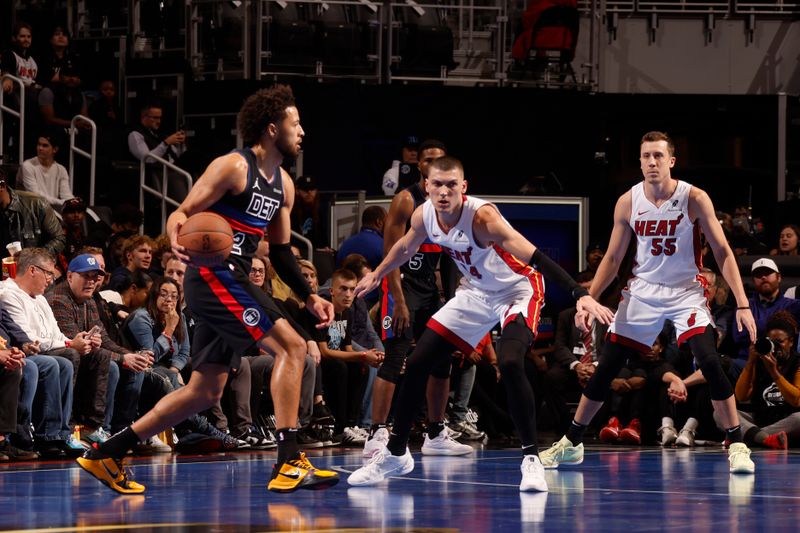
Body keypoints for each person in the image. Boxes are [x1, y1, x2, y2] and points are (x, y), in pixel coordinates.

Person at [77, 84, 338, 494]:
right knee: (293, 347)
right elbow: (182, 213)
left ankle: (107, 453)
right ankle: (289, 460)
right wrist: (176, 239)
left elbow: (284, 253)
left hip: (233, 277)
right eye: (295, 122)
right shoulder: (233, 167)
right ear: (272, 129)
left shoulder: (284, 184)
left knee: (203, 391)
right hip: (216, 276)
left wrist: (309, 295)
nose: (302, 130)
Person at [347, 156, 613, 491]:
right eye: (437, 185)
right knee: (416, 363)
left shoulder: (483, 218)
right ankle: (397, 452)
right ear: (427, 186)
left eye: (451, 185)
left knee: (512, 362)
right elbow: (404, 246)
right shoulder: (424, 214)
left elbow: (536, 258)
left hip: (518, 289)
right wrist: (377, 273)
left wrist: (579, 294)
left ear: (464, 188)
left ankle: (531, 460)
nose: (444, 192)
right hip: (475, 293)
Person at [538, 131, 758, 474]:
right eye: (646, 157)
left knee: (710, 361)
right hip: (643, 292)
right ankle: (572, 442)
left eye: (658, 156)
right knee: (608, 365)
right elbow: (612, 258)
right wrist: (586, 298)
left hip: (686, 290)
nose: (651, 162)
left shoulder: (694, 197)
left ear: (671, 161)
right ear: (640, 162)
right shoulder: (628, 201)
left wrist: (742, 303)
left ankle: (737, 444)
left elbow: (722, 251)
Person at [361, 139, 471, 460]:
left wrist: (450, 299)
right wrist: (398, 298)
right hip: (402, 284)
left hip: (429, 287)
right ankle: (377, 432)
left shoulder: (451, 202)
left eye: (439, 159)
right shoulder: (405, 200)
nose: (433, 163)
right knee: (395, 359)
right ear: (420, 167)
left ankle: (436, 432)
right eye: (428, 160)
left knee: (441, 360)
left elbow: (450, 256)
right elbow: (392, 252)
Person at [723, 310, 800, 449]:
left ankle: (749, 437)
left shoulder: (798, 362)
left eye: (780, 342)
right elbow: (741, 396)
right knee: (722, 412)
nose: (776, 347)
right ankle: (766, 439)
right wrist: (750, 362)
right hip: (760, 418)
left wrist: (774, 372)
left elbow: (796, 400)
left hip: (787, 421)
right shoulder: (759, 361)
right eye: (772, 342)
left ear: (791, 342)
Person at [0, 169, 65, 258]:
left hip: (37, 267)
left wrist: (34, 257)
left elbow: (59, 239)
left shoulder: (37, 203)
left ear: (2, 186)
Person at [20, 132, 73, 209]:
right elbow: (36, 195)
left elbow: (66, 195)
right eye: (39, 144)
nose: (40, 148)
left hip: (54, 210)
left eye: (45, 146)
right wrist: (63, 202)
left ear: (55, 149)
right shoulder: (28, 165)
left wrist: (73, 202)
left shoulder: (61, 169)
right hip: (34, 210)